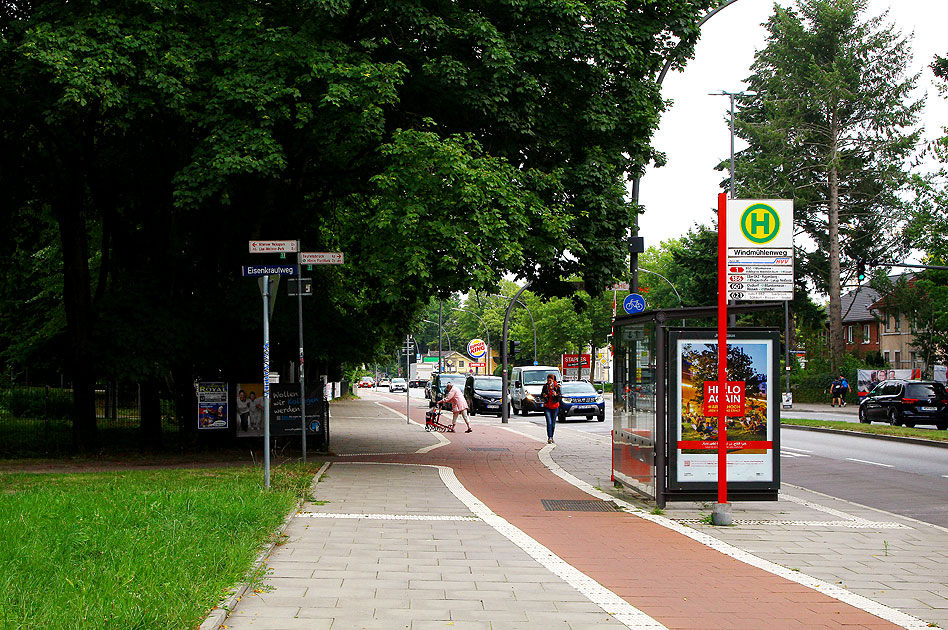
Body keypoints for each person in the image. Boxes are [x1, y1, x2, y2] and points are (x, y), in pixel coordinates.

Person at [540, 373, 562, 444]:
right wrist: (544, 395)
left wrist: (556, 395)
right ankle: (549, 437)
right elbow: (542, 394)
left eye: (550, 380)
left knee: (553, 423)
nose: (549, 382)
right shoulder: (545, 386)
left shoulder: (557, 387)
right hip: (547, 406)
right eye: (548, 380)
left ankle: (552, 436)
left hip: (555, 406)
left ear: (553, 380)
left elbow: (560, 396)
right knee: (549, 422)